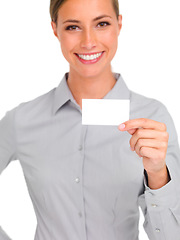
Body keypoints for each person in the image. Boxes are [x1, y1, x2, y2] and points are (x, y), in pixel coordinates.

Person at [0, 0, 180, 239]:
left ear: (119, 24)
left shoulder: (152, 118)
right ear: (55, 29)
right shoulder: (22, 120)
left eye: (101, 24)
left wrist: (158, 173)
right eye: (73, 27)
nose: (88, 42)